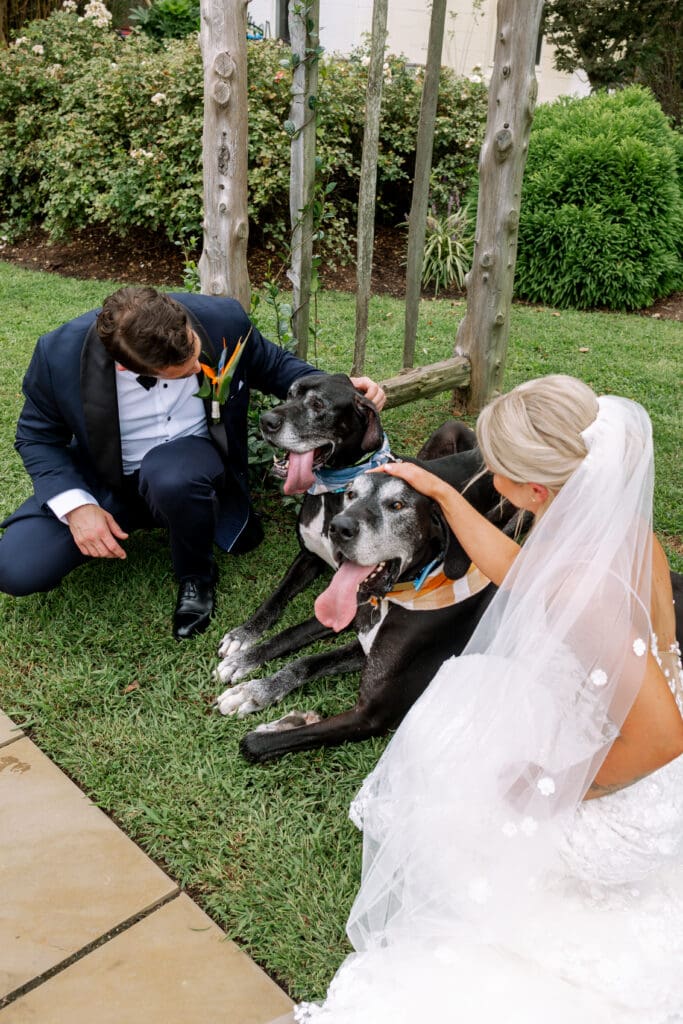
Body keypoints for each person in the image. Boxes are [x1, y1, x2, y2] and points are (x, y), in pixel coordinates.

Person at [295, 375, 683, 1023]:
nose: (483, 471)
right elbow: (526, 575)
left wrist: (557, 784)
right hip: (616, 713)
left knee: (461, 786)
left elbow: (663, 738)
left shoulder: (581, 591)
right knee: (464, 712)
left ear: (533, 490)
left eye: (493, 468)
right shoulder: (610, 527)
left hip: (631, 782)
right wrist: (442, 491)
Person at [0, 286, 385, 639]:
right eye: (182, 370)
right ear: (126, 367)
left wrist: (344, 389)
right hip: (102, 482)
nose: (197, 360)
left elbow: (275, 365)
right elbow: (36, 436)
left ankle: (196, 577)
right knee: (17, 568)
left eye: (193, 346)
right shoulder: (58, 355)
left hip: (187, 472)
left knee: (173, 475)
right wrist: (79, 506)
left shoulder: (221, 320)